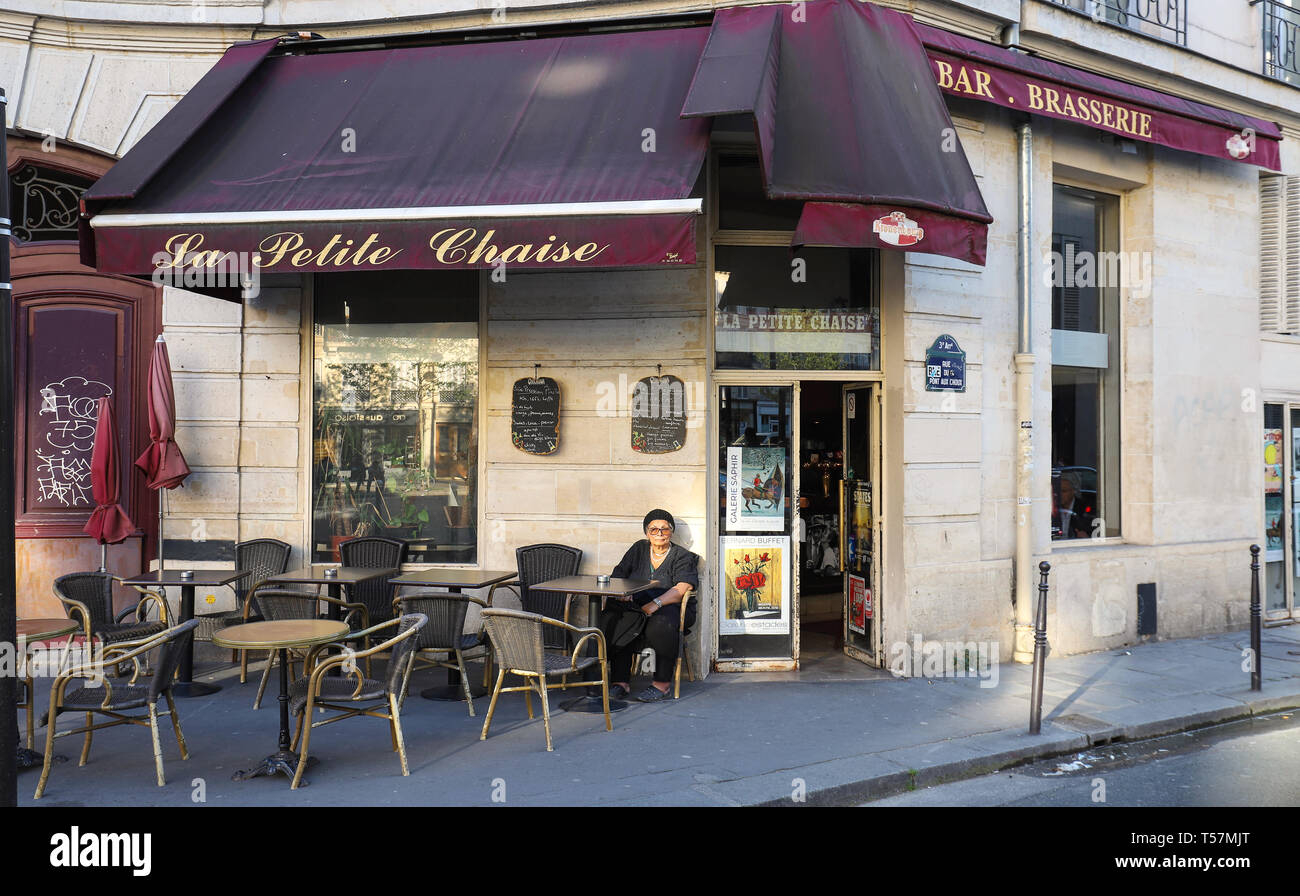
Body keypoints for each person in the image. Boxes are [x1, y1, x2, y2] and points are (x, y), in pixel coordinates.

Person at [598, 509, 699, 702]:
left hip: (670, 606)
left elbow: (683, 587)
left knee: (660, 626)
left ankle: (662, 685)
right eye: (654, 529)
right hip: (638, 605)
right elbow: (618, 575)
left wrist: (655, 603)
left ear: (672, 532)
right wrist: (623, 593)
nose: (659, 534)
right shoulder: (638, 549)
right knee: (617, 619)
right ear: (646, 532)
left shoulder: (682, 556)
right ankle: (620, 682)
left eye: (664, 529)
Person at [1055, 472, 1094, 539]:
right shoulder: (1053, 508)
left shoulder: (1083, 509)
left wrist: (1087, 537)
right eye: (1058, 491)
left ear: (1073, 491)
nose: (1060, 495)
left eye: (1064, 491)